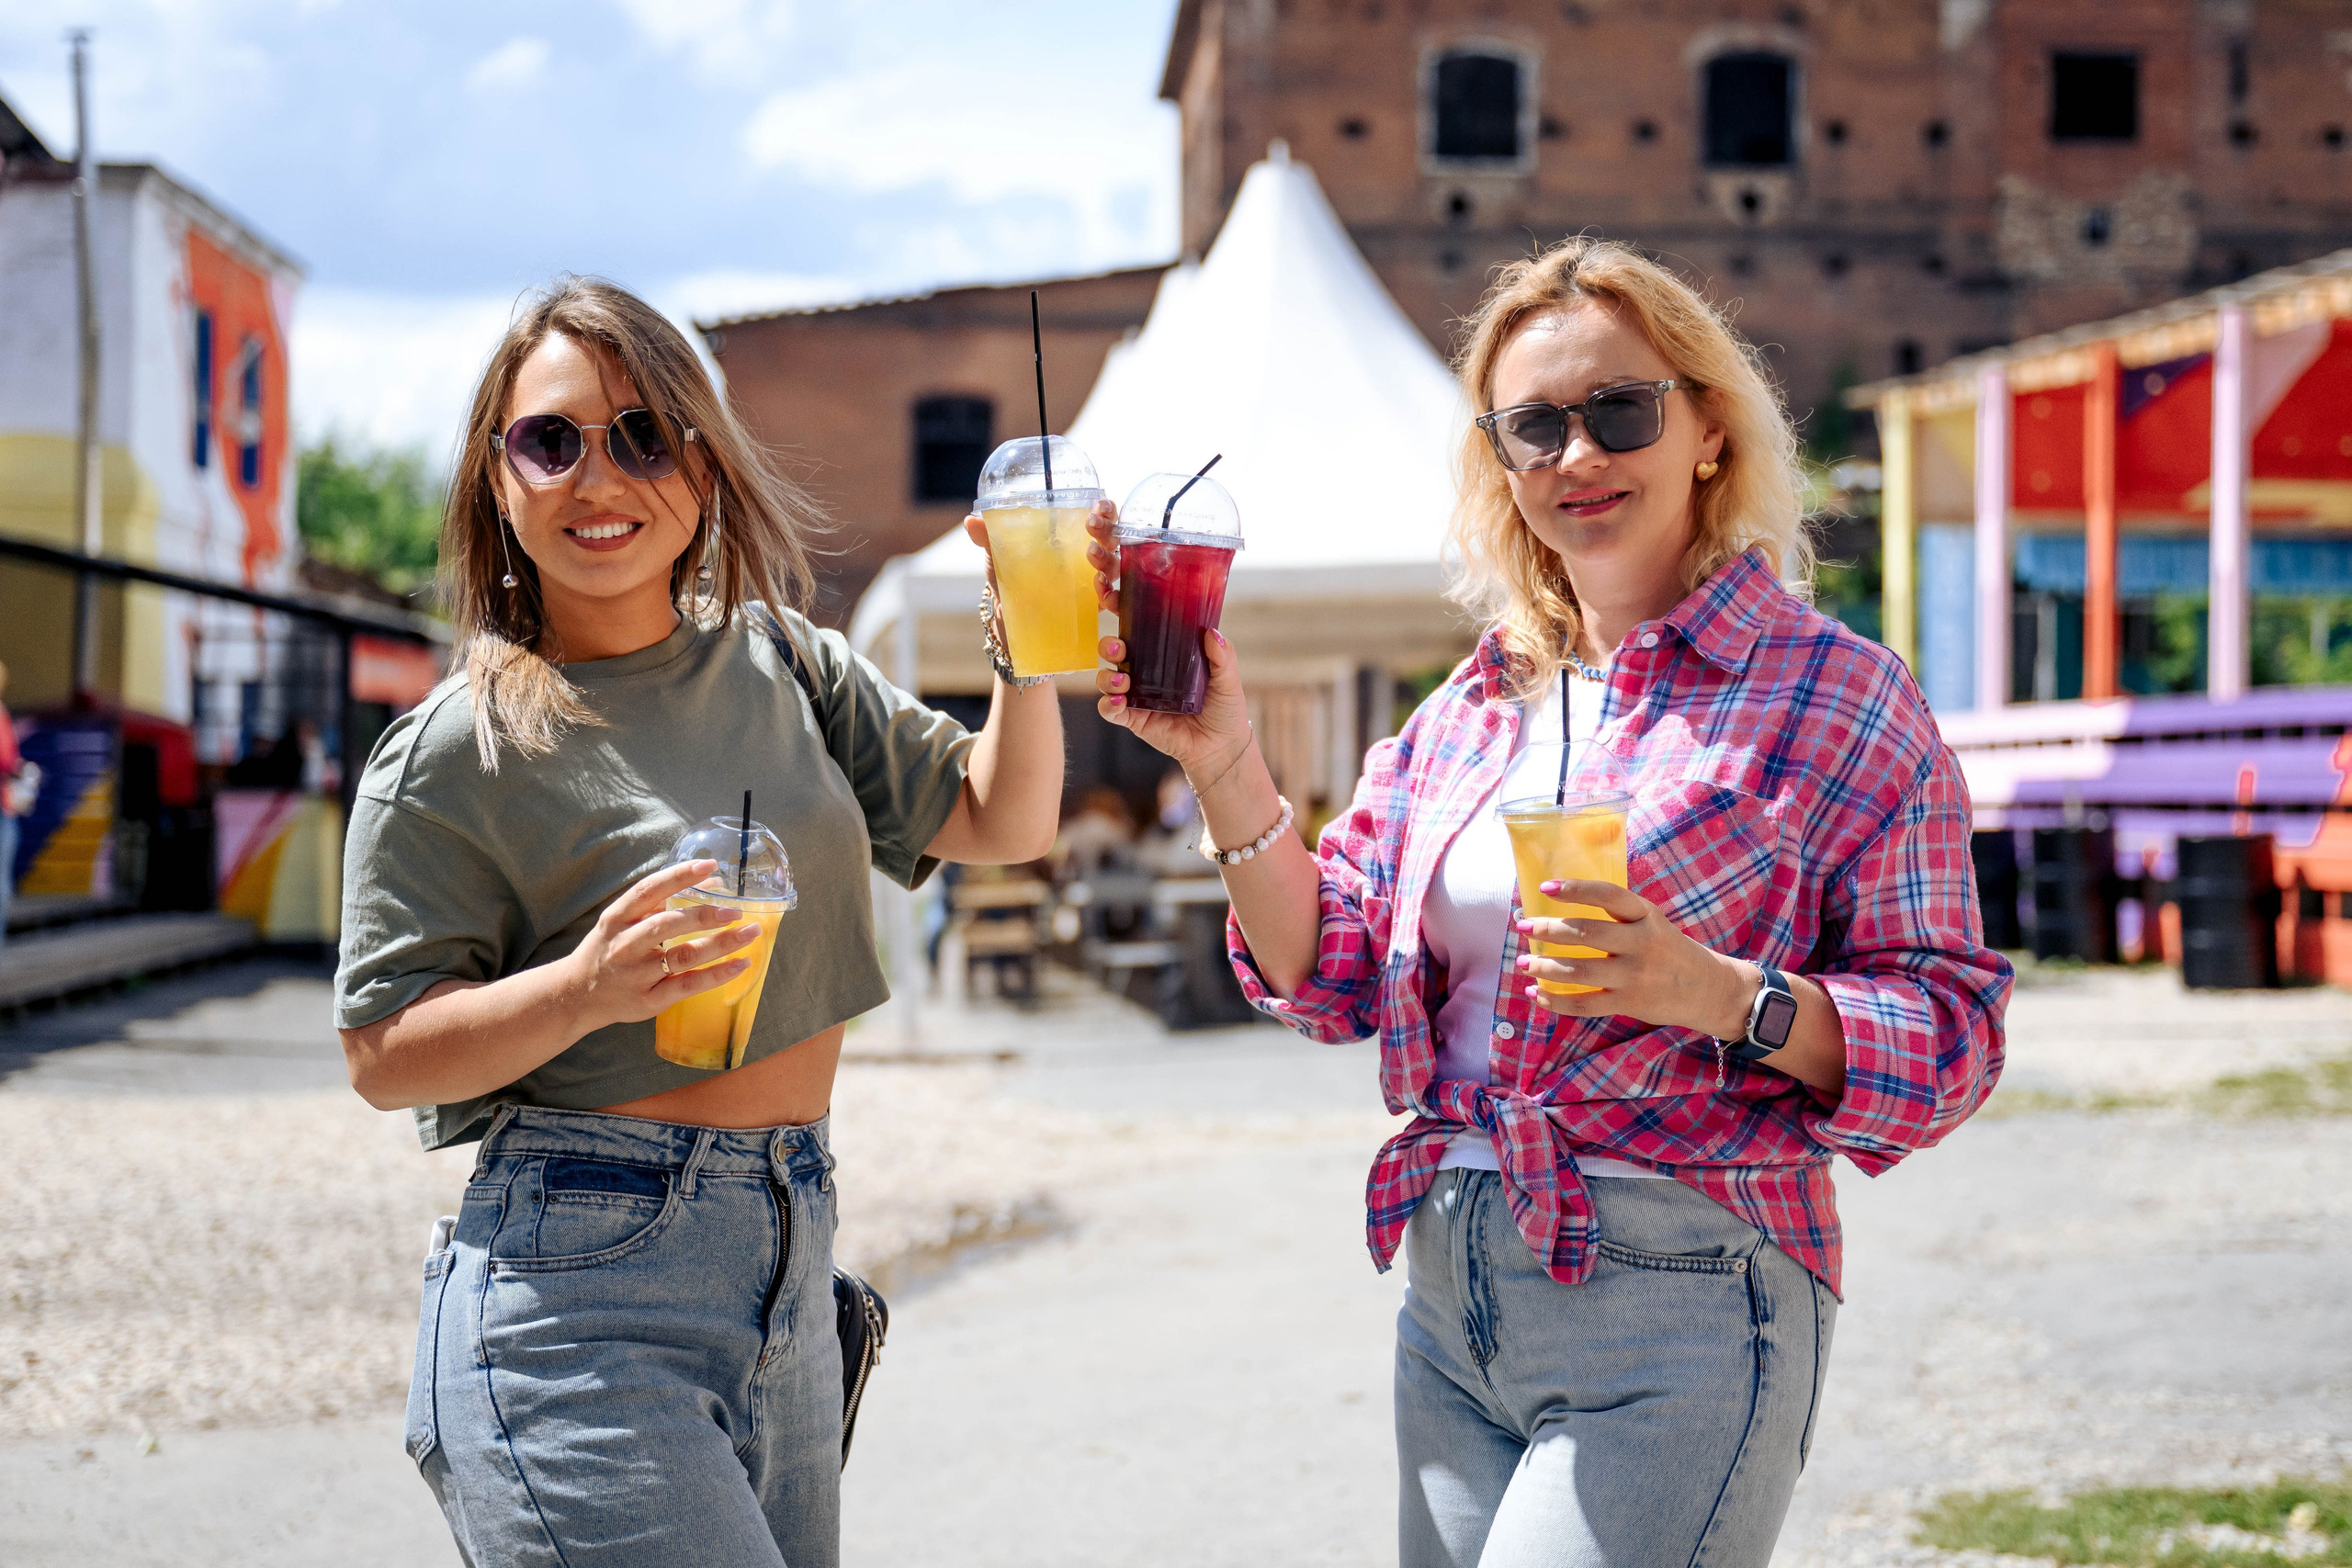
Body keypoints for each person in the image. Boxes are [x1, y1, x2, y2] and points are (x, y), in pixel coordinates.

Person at [1089, 238, 2010, 1567]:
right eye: (1534, 427)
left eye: (1618, 411)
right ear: (1502, 464)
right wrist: (1224, 759)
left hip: (1685, 1292)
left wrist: (1720, 996)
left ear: (1705, 428)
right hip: (1451, 1295)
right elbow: (1331, 969)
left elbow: (1952, 1033)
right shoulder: (1470, 711)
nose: (1576, 457)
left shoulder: (1837, 694)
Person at [334, 276, 1068, 1568]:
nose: (597, 475)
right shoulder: (460, 747)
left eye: (642, 434)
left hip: (790, 1256)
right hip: (577, 1288)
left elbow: (1001, 820)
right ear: (497, 482)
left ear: (706, 466)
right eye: (549, 439)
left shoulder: (791, 663)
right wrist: (588, 986)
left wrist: (1027, 643)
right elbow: (384, 1054)